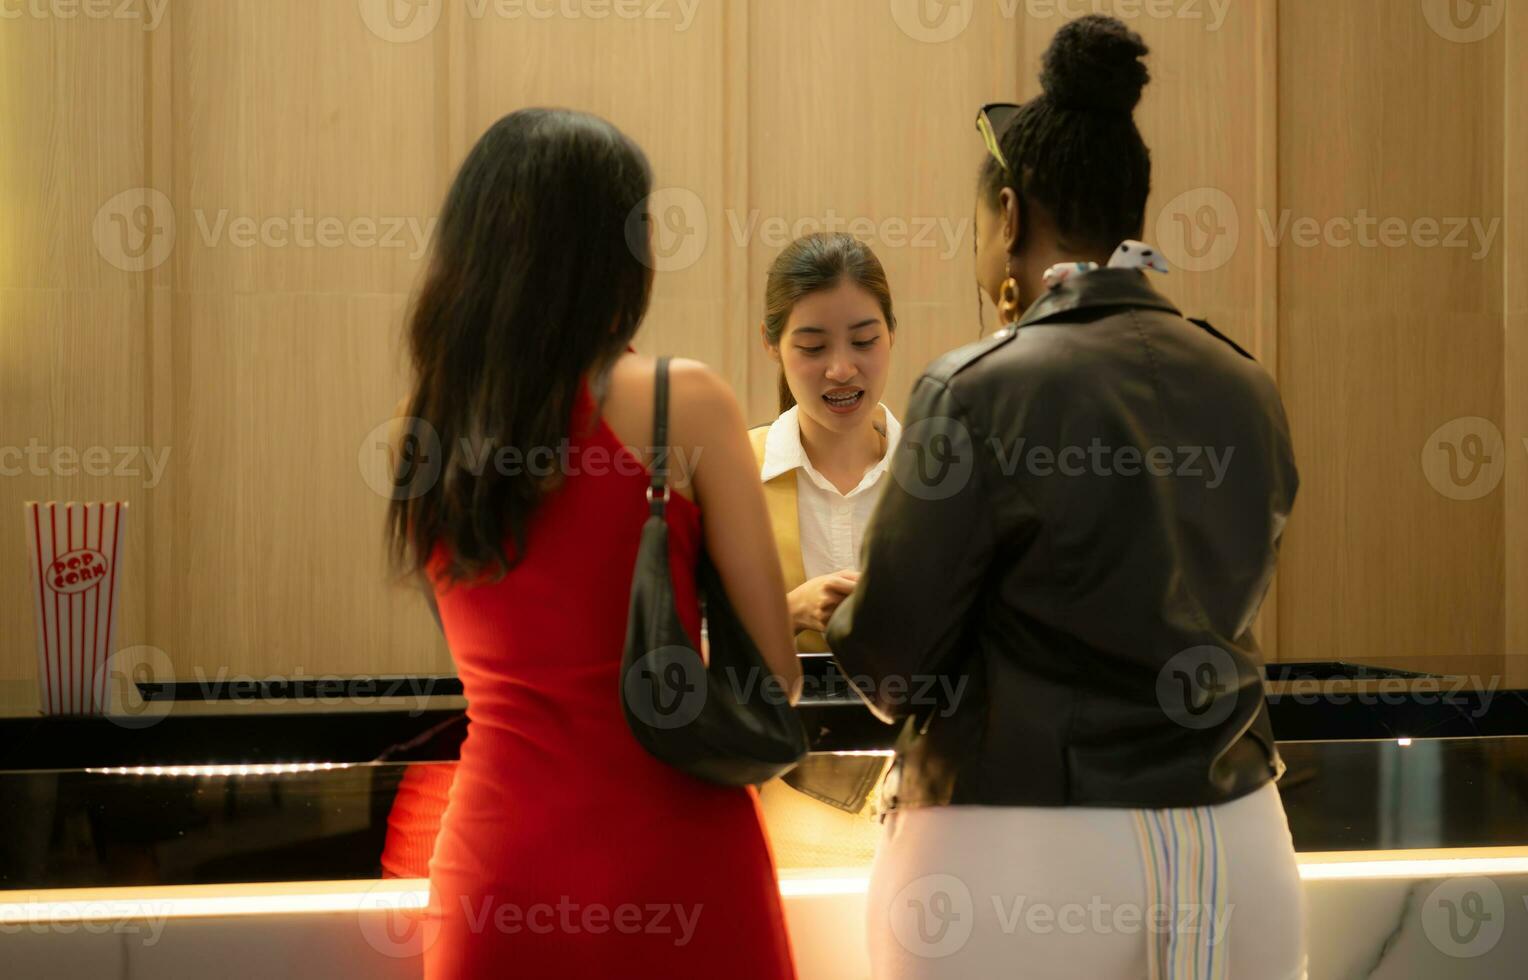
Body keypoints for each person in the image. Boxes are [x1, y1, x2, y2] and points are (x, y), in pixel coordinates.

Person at [827, 16, 1305, 980]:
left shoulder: (975, 387)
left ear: (1009, 215)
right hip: (1240, 839)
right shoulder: (1246, 385)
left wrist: (851, 615)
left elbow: (889, 662)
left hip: (1018, 856)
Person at [386, 107, 801, 979]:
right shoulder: (680, 405)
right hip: (677, 871)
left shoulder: (425, 434)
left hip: (494, 880)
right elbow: (776, 676)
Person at [748, 233, 899, 870]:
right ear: (773, 345)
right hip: (776, 811)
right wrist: (787, 613)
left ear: (891, 334)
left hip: (928, 808)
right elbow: (677, 653)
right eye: (812, 348)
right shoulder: (734, 472)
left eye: (865, 341)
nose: (842, 368)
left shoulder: (941, 476)